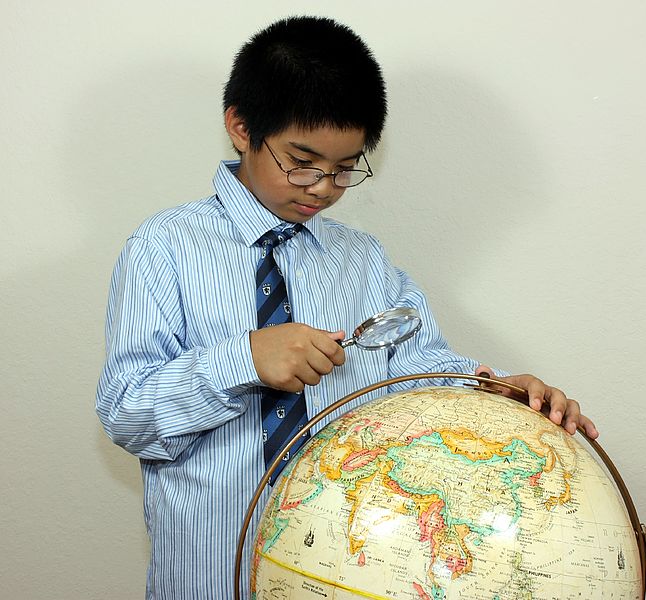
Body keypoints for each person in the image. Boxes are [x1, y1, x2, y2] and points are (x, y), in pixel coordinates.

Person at [95, 15, 598, 600]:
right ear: (240, 127)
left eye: (343, 169)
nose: (322, 187)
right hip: (208, 576)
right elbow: (127, 417)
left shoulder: (362, 262)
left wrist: (500, 395)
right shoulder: (162, 249)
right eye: (301, 161)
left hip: (345, 571)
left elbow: (423, 377)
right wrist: (244, 361)